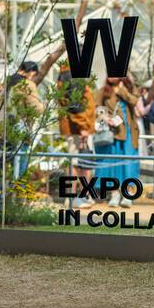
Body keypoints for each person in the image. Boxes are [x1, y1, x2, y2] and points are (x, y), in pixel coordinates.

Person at [92, 75, 141, 208]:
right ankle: (114, 194)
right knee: (113, 163)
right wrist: (104, 117)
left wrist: (121, 91)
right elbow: (97, 108)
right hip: (112, 132)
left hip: (129, 132)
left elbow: (134, 101)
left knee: (129, 163)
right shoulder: (103, 90)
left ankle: (128, 194)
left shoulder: (130, 88)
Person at [57, 64, 97, 207]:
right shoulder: (72, 74)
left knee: (80, 162)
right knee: (77, 163)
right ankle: (75, 197)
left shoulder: (65, 73)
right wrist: (83, 128)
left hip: (75, 127)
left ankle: (79, 195)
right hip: (78, 128)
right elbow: (75, 105)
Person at [5, 60, 43, 181]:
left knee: (1, 165)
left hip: (4, 128)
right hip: (21, 128)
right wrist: (44, 105)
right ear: (32, 72)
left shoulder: (8, 82)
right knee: (20, 165)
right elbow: (36, 109)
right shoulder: (27, 84)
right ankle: (16, 196)